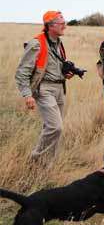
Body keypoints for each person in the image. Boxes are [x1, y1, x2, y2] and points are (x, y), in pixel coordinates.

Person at [15, 11, 74, 161]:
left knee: (53, 128)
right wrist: (27, 95)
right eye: (61, 23)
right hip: (44, 90)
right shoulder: (36, 43)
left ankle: (46, 165)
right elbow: (22, 72)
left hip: (60, 89)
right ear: (50, 25)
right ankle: (34, 159)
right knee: (56, 127)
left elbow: (53, 67)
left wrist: (65, 74)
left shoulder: (58, 43)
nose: (65, 26)